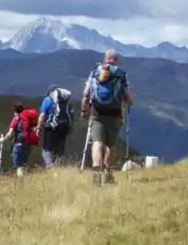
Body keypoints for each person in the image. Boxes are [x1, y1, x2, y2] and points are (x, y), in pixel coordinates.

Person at [81, 48, 133, 185]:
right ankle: (108, 173)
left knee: (97, 143)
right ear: (116, 60)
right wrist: (128, 102)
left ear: (105, 58)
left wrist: (84, 110)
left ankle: (96, 171)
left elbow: (86, 93)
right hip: (115, 113)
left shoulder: (95, 72)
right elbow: (127, 96)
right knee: (111, 145)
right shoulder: (121, 74)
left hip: (96, 112)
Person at [37, 85, 74, 169]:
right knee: (59, 149)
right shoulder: (66, 102)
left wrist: (38, 127)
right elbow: (71, 115)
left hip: (52, 128)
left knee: (46, 150)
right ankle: (59, 167)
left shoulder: (47, 100)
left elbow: (42, 115)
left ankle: (50, 167)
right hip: (65, 127)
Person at [0, 103, 39, 177]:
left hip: (19, 145)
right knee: (23, 165)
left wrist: (3, 139)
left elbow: (9, 134)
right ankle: (23, 180)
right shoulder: (28, 118)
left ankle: (21, 184)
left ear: (15, 111)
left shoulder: (16, 119)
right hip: (28, 144)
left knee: (19, 167)